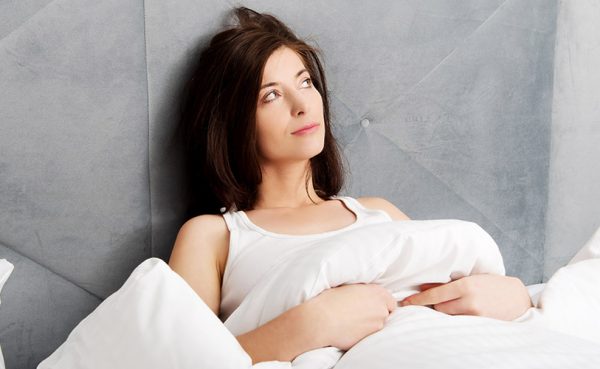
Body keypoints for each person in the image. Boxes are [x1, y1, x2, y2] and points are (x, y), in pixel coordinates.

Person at [168, 7, 533, 365]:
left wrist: (514, 297)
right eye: (271, 95)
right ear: (233, 124)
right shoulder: (213, 236)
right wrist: (311, 325)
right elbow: (181, 361)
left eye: (305, 82)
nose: (302, 105)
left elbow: (448, 290)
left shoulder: (377, 211)